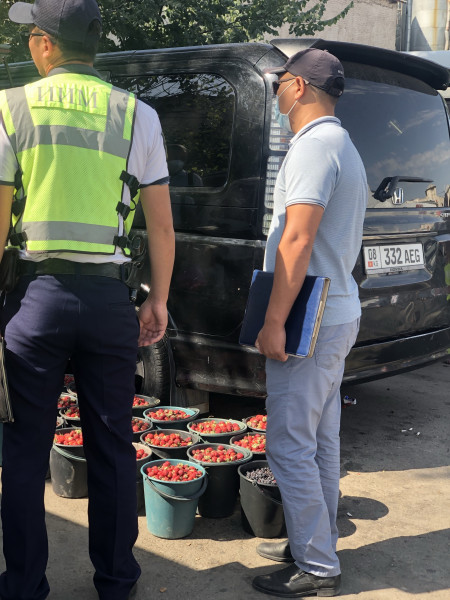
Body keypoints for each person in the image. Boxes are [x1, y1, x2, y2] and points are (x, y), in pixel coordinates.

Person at [0, 1, 174, 599]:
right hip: (108, 301)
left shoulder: (9, 108)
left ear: (45, 43)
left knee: (25, 449)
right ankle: (117, 581)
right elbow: (161, 226)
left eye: (31, 35)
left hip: (34, 299)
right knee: (112, 444)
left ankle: (24, 584)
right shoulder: (138, 115)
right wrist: (158, 300)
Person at [252, 48, 368, 597]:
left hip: (309, 319)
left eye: (281, 82)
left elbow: (297, 240)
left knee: (288, 445)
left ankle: (317, 566)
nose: (276, 90)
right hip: (337, 309)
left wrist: (274, 321)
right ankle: (313, 541)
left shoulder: (314, 147)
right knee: (320, 440)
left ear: (299, 86)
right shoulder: (342, 143)